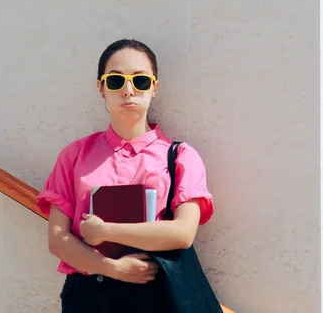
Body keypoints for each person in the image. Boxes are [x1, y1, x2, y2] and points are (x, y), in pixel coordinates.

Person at [36, 39, 215, 313]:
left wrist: (106, 231)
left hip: (158, 294)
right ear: (101, 88)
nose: (128, 91)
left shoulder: (180, 156)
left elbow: (183, 233)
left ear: (154, 87)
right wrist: (113, 269)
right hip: (89, 297)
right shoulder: (75, 155)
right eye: (116, 81)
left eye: (140, 81)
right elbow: (57, 239)